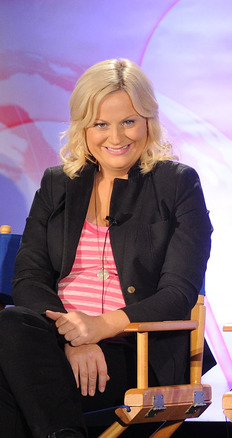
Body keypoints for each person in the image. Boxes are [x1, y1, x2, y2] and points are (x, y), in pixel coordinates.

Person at [0, 59, 212, 437]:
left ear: (148, 120)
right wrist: (75, 339)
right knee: (11, 324)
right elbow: (28, 277)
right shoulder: (57, 184)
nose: (116, 137)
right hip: (54, 343)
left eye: (128, 121)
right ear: (83, 127)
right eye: (101, 124)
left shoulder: (177, 184)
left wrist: (99, 327)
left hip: (136, 350)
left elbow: (178, 292)